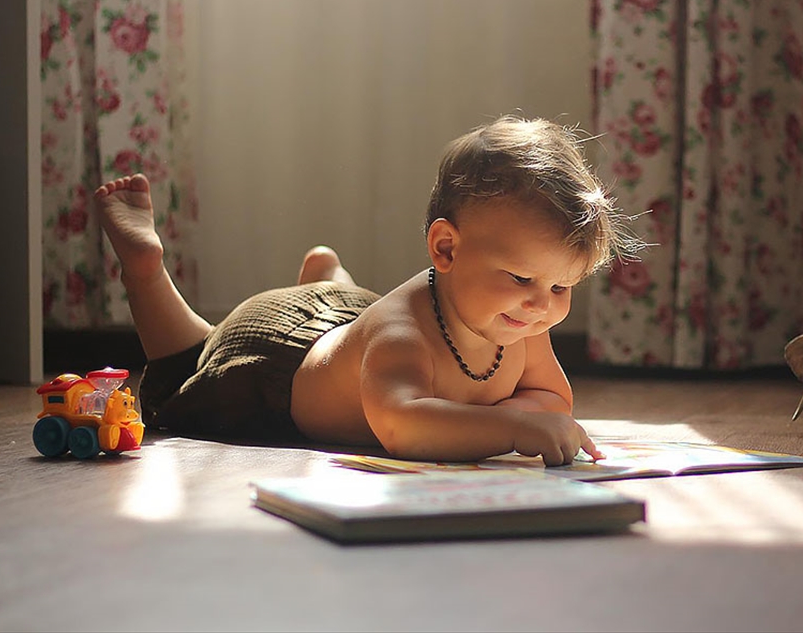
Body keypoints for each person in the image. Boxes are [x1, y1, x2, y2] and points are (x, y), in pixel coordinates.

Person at [95, 115, 642, 465]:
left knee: (355, 312)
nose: (542, 303)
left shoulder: (524, 319)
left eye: (562, 286)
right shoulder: (401, 334)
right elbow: (404, 426)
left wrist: (536, 412)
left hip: (349, 324)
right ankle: (146, 271)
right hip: (273, 359)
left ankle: (328, 280)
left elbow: (553, 398)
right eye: (523, 278)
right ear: (446, 250)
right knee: (192, 359)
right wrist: (512, 424)